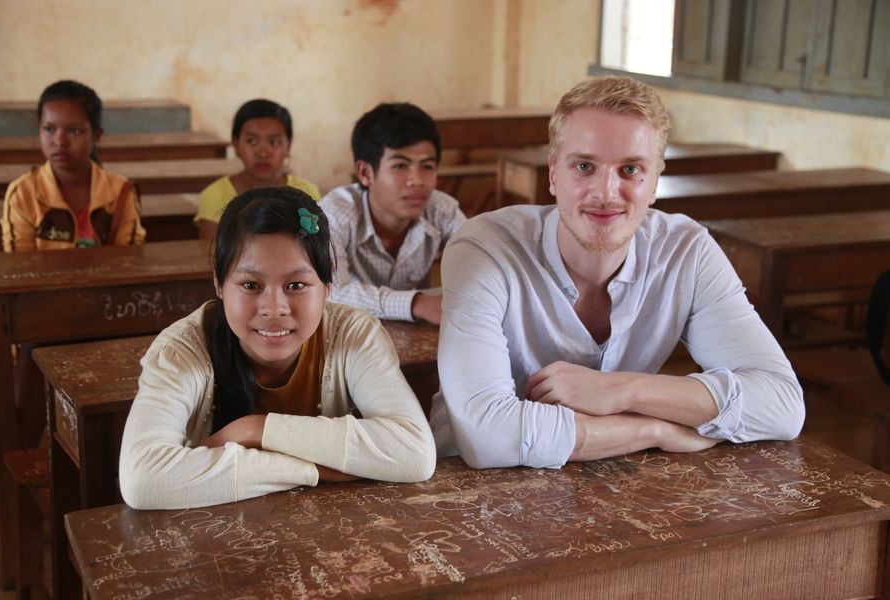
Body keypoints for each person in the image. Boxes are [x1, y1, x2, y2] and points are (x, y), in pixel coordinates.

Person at [431, 75, 805, 469]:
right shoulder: (484, 247)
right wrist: (652, 430)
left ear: (656, 180)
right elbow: (485, 436)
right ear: (554, 174)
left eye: (630, 169)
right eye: (584, 166)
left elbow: (782, 405)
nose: (606, 193)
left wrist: (624, 391)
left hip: (616, 483)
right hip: (471, 493)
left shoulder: (687, 251)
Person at [120, 187, 435, 509]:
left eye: (296, 286)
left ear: (328, 286)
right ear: (218, 283)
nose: (274, 308)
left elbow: (414, 453)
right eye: (250, 285)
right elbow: (143, 481)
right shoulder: (182, 350)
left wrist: (255, 429)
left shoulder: (353, 335)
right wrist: (311, 470)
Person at [319, 102, 466, 325]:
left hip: (414, 337)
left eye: (427, 166)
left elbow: (482, 261)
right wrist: (417, 304)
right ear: (365, 172)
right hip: (347, 335)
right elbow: (331, 292)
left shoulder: (441, 210)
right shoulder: (334, 214)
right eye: (400, 166)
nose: (417, 180)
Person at [0, 79, 145, 251]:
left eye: (74, 131)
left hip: (106, 278)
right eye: (49, 129)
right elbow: (21, 267)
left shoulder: (121, 192)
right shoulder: (23, 193)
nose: (60, 141)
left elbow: (127, 264)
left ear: (96, 136)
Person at [195, 99, 320, 239]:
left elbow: (316, 249)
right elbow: (212, 256)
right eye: (252, 141)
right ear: (236, 144)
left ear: (288, 146)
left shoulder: (307, 192)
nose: (263, 153)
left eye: (274, 142)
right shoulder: (215, 196)